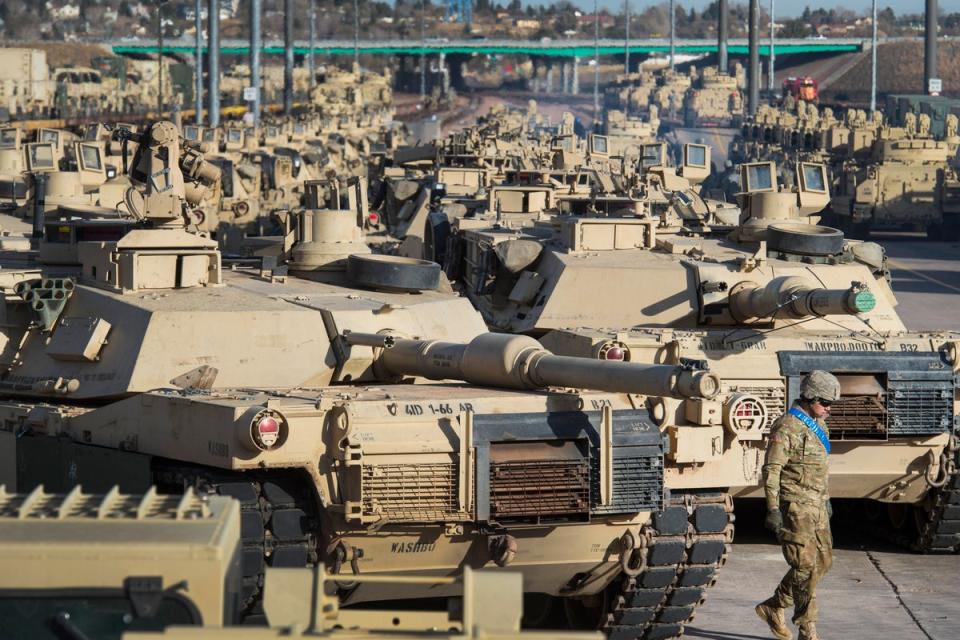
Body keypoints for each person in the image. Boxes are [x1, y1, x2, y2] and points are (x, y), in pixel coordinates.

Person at [755, 370, 840, 640]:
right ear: (810, 397)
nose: (828, 409)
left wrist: (825, 500)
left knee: (823, 562)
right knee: (803, 567)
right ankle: (807, 629)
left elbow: (820, 470)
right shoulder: (786, 426)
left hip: (816, 505)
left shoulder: (820, 425)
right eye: (825, 403)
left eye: (831, 404)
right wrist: (772, 509)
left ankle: (774, 605)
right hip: (795, 507)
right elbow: (772, 470)